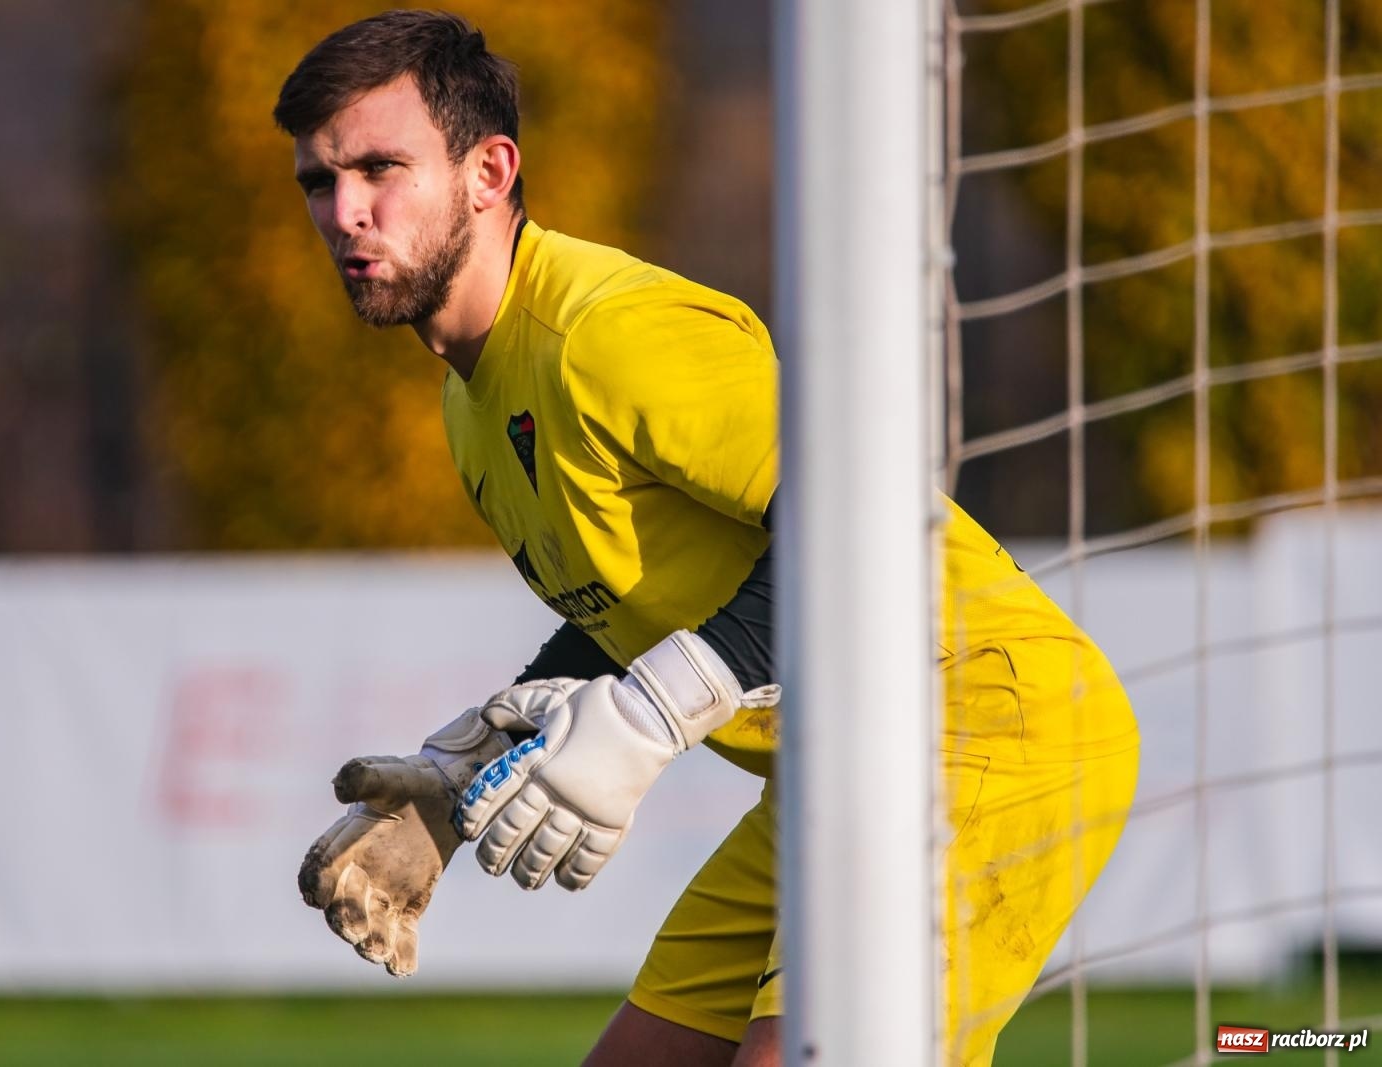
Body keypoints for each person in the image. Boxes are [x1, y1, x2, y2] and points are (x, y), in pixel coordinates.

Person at [276, 11, 1141, 1066]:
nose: (346, 213)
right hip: (839, 762)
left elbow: (852, 535)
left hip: (987, 722)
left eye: (380, 167)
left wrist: (646, 714)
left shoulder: (605, 332)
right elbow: (628, 602)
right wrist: (461, 783)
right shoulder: (470, 400)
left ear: (489, 169)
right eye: (319, 183)